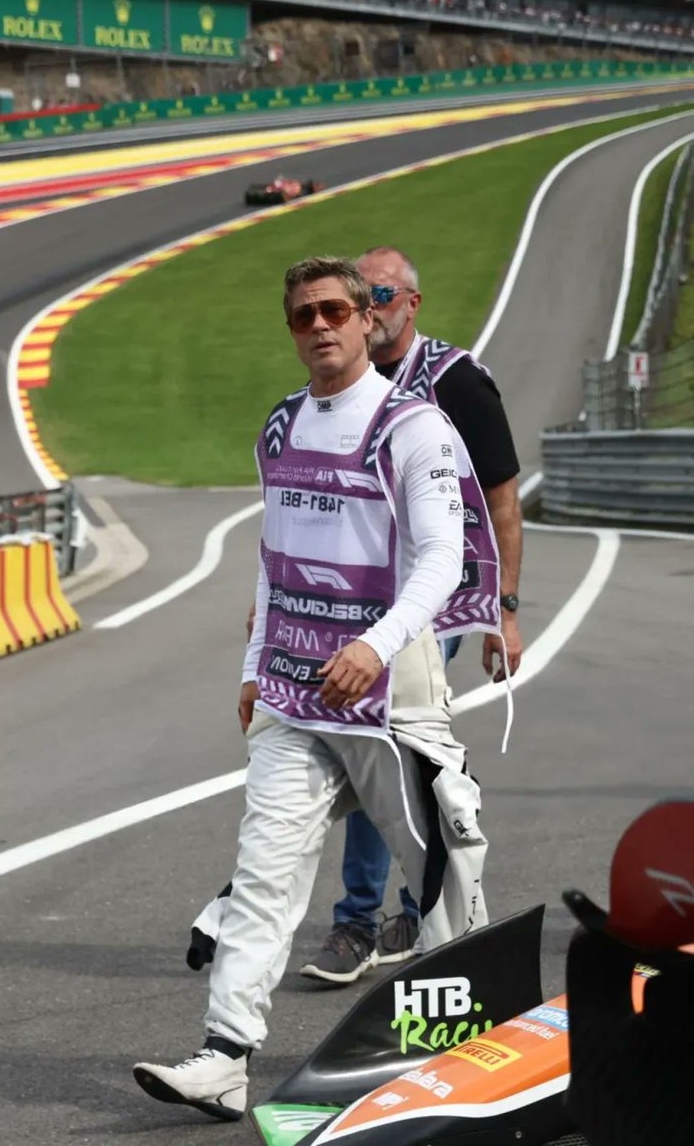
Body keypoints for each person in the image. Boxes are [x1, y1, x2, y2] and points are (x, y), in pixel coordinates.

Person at [133, 256, 501, 1121]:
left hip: (392, 693)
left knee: (444, 871)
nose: (322, 326)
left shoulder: (413, 428)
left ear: (368, 319)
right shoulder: (279, 428)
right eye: (304, 316)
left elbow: (442, 561)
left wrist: (375, 647)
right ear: (292, 329)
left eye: (336, 309)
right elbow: (272, 560)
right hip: (295, 697)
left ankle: (477, 1052)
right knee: (263, 873)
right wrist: (255, 666)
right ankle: (225, 1058)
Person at [300, 245, 523, 985]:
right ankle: (371, 919)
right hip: (350, 605)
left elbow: (501, 502)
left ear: (410, 303)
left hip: (438, 604)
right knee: (364, 749)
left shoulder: (455, 382)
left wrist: (505, 611)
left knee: (391, 750)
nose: (371, 307)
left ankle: (399, 914)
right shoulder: (344, 385)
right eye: (361, 296)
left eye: (382, 294)